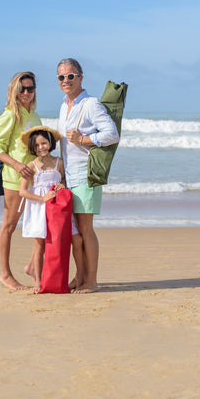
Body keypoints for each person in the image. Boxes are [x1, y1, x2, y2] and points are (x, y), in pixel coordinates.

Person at [57, 58, 119, 293]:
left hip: (86, 174)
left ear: (80, 77)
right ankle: (79, 277)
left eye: (70, 76)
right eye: (61, 77)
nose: (66, 81)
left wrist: (83, 139)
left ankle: (91, 280)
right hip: (69, 177)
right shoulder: (64, 105)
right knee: (74, 232)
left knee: (85, 228)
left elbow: (112, 134)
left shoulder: (91, 104)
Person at [0, 71, 42, 290]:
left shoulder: (34, 115)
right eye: (23, 89)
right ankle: (5, 274)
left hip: (36, 180)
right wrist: (17, 165)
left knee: (40, 226)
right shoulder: (11, 114)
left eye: (31, 88)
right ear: (15, 91)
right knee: (9, 226)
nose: (27, 93)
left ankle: (32, 266)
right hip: (14, 180)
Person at [19, 126, 83, 293]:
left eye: (44, 143)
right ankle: (38, 282)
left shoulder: (59, 162)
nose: (41, 147)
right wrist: (42, 199)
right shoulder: (32, 166)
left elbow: (65, 182)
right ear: (32, 147)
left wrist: (63, 185)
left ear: (50, 143)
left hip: (59, 209)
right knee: (40, 243)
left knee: (75, 238)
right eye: (37, 145)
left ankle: (80, 276)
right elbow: (22, 191)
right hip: (40, 207)